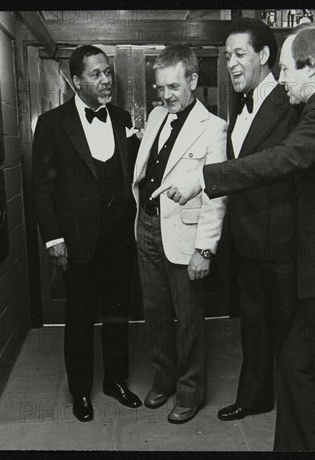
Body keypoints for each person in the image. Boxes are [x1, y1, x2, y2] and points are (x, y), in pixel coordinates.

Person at [155, 24, 315, 450]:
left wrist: (203, 178)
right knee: (296, 366)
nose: (282, 79)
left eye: (287, 70)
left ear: (311, 66)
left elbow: (286, 158)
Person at [32, 45, 142, 422]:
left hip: (120, 239)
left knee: (117, 312)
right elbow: (43, 189)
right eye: (96, 74)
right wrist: (53, 238)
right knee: (79, 317)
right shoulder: (51, 124)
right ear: (76, 82)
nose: (106, 79)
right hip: (77, 240)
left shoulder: (124, 118)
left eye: (108, 72)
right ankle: (81, 391)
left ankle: (116, 380)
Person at [133, 45, 227, 424]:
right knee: (155, 313)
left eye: (173, 86)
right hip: (147, 229)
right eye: (160, 88)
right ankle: (163, 380)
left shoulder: (213, 127)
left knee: (188, 319)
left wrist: (205, 249)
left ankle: (189, 392)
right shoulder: (156, 116)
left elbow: (217, 193)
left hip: (186, 237)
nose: (166, 95)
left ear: (192, 80)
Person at [216, 18, 300, 423]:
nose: (230, 63)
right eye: (227, 55)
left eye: (239, 54)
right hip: (246, 239)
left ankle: (297, 412)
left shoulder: (291, 102)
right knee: (253, 325)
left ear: (264, 56)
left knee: (289, 331)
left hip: (282, 240)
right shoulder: (240, 105)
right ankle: (255, 397)